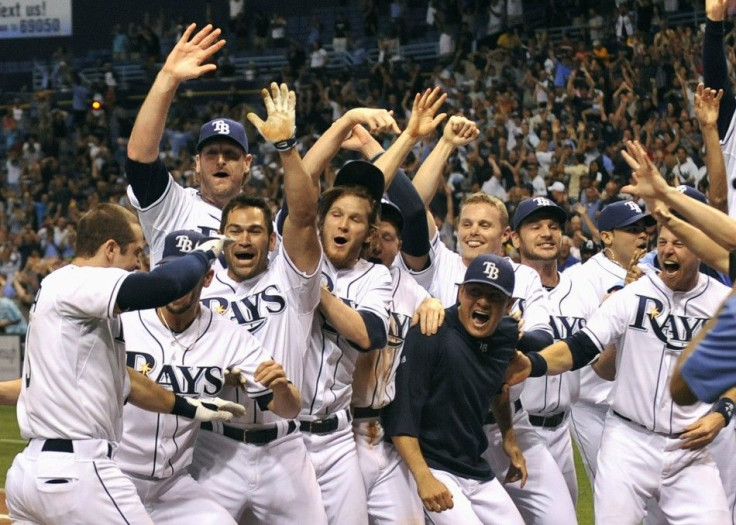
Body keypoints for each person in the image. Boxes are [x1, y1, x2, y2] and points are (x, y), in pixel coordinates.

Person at [4, 204, 240, 523]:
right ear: (111, 250)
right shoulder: (78, 281)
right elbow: (164, 286)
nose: (137, 264)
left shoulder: (70, 298)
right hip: (77, 472)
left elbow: (125, 382)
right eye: (135, 252)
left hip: (32, 473)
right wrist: (201, 257)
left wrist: (188, 407)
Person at [400, 115, 576, 525]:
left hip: (503, 425)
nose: (474, 231)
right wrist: (442, 144)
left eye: (485, 224)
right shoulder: (436, 265)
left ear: (507, 237)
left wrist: (496, 336)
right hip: (440, 431)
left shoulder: (525, 277)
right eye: (466, 223)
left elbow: (541, 337)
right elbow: (412, 205)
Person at [505, 223, 734, 524]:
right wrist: (533, 363)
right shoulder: (633, 295)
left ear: (701, 249)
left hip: (689, 450)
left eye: (678, 243)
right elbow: (580, 346)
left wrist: (723, 412)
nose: (667, 250)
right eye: (662, 242)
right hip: (629, 442)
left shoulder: (722, 300)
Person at [191, 81, 328, 523]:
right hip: (214, 446)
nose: (244, 239)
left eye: (254, 231)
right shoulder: (200, 288)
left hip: (283, 448)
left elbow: (304, 214)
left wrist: (287, 147)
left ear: (271, 240)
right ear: (221, 239)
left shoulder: (292, 281)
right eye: (234, 231)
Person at [115, 229, 301, 524]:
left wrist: (283, 391)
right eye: (172, 273)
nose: (179, 285)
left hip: (172, 484)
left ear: (207, 278)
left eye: (189, 274)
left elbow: (289, 409)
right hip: (114, 475)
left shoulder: (227, 335)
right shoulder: (122, 323)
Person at [384, 254, 526, 524]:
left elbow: (498, 388)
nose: (482, 301)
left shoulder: (505, 334)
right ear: (460, 292)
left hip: (474, 465)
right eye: (475, 291)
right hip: (433, 465)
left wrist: (509, 436)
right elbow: (401, 418)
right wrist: (424, 478)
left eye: (494, 296)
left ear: (509, 305)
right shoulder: (430, 333)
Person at [299, 161, 392, 525]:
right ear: (321, 222)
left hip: (337, 435)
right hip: (287, 434)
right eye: (336, 215)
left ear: (369, 233)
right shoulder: (293, 260)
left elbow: (370, 334)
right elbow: (301, 184)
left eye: (355, 220)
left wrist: (313, 290)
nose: (343, 224)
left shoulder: (375, 276)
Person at [566, 200, 654, 484]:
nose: (642, 235)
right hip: (595, 407)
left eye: (644, 228)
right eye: (631, 229)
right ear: (606, 237)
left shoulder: (654, 275)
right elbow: (594, 359)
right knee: (611, 494)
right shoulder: (582, 278)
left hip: (640, 405)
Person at [512, 198, 579, 504]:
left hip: (563, 429)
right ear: (514, 237)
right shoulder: (502, 288)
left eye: (553, 226)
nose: (547, 233)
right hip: (516, 427)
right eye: (535, 226)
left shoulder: (581, 289)